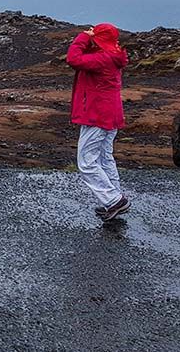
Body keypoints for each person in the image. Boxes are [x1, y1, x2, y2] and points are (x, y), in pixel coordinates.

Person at [66, 23, 131, 221]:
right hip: (109, 113)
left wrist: (83, 38)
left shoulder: (103, 58)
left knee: (86, 161)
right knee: (104, 157)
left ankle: (113, 200)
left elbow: (73, 59)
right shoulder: (112, 55)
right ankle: (114, 197)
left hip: (98, 114)